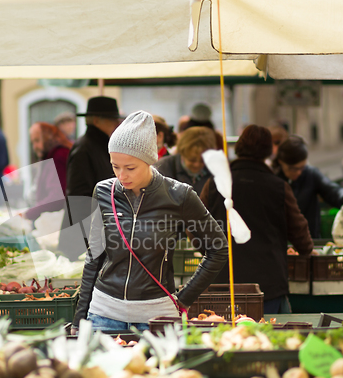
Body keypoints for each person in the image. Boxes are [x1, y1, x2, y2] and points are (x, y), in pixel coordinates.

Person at [71, 111, 228, 333]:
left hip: (156, 316)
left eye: (130, 167)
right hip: (103, 313)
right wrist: (79, 318)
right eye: (115, 166)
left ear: (148, 160)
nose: (121, 175)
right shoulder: (104, 191)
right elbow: (94, 255)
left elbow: (218, 248)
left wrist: (184, 298)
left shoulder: (179, 196)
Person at [200, 125, 314, 314]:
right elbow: (299, 231)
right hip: (267, 285)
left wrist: (210, 250)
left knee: (224, 338)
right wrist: (307, 250)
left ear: (239, 147)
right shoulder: (278, 187)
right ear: (269, 151)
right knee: (267, 338)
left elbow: (195, 227)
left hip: (221, 283)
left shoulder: (214, 185)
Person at [58, 96, 123, 261]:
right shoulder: (84, 148)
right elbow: (79, 197)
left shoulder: (100, 145)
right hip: (81, 237)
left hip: (93, 232)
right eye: (111, 120)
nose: (116, 124)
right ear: (96, 120)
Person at [273, 136, 343, 238]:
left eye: (302, 167)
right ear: (281, 161)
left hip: (311, 240)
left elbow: (332, 190)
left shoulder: (310, 174)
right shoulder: (272, 180)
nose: (299, 172)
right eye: (293, 169)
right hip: (282, 243)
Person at [25, 122, 73, 221]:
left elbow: (56, 197)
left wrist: (29, 214)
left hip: (58, 220)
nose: (35, 147)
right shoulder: (54, 155)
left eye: (37, 140)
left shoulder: (58, 156)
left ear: (48, 138)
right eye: (33, 142)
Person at [155, 126, 216, 195]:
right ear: (182, 153)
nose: (197, 164)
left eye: (202, 161)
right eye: (192, 160)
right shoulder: (162, 169)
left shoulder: (216, 171)